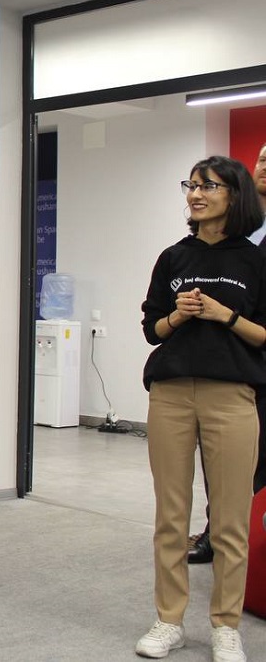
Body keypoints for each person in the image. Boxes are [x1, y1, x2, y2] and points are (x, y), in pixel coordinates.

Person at [136, 156, 266, 662]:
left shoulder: (255, 261)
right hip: (170, 393)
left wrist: (224, 315)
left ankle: (225, 626)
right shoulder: (174, 257)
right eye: (191, 185)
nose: (195, 194)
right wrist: (178, 315)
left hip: (232, 396)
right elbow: (152, 329)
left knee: (230, 521)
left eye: (208, 186)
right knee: (170, 516)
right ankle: (168, 620)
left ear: (234, 195)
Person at [188, 142, 266, 565]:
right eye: (263, 159)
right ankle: (215, 532)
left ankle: (247, 539)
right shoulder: (227, 233)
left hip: (257, 347)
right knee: (223, 458)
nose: (265, 166)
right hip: (231, 365)